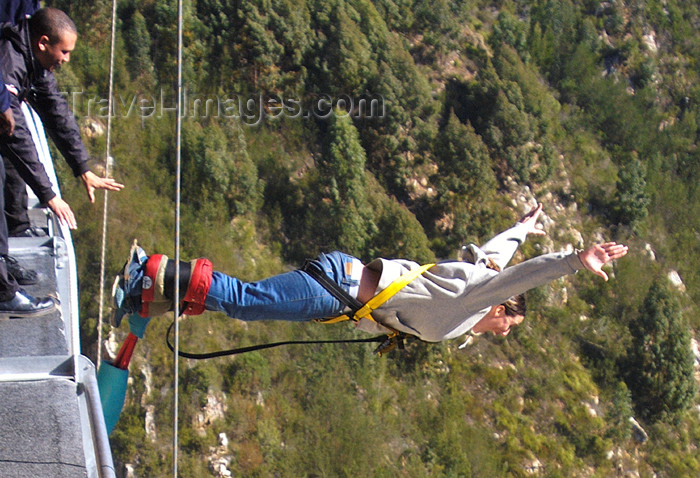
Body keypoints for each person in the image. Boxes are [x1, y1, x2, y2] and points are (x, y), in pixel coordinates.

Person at [111, 204, 628, 342]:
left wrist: (519, 229)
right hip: (336, 289)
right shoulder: (472, 302)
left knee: (247, 304)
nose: (500, 332)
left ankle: (151, 295)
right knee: (246, 301)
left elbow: (494, 256)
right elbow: (511, 277)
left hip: (341, 286)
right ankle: (146, 273)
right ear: (499, 309)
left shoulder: (471, 287)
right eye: (505, 326)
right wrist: (573, 262)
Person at [0, 7, 124, 238]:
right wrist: (50, 196)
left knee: (12, 167)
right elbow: (16, 136)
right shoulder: (10, 65)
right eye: (64, 51)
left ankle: (17, 233)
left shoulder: (34, 63)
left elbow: (58, 114)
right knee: (8, 161)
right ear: (43, 43)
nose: (66, 59)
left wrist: (82, 168)